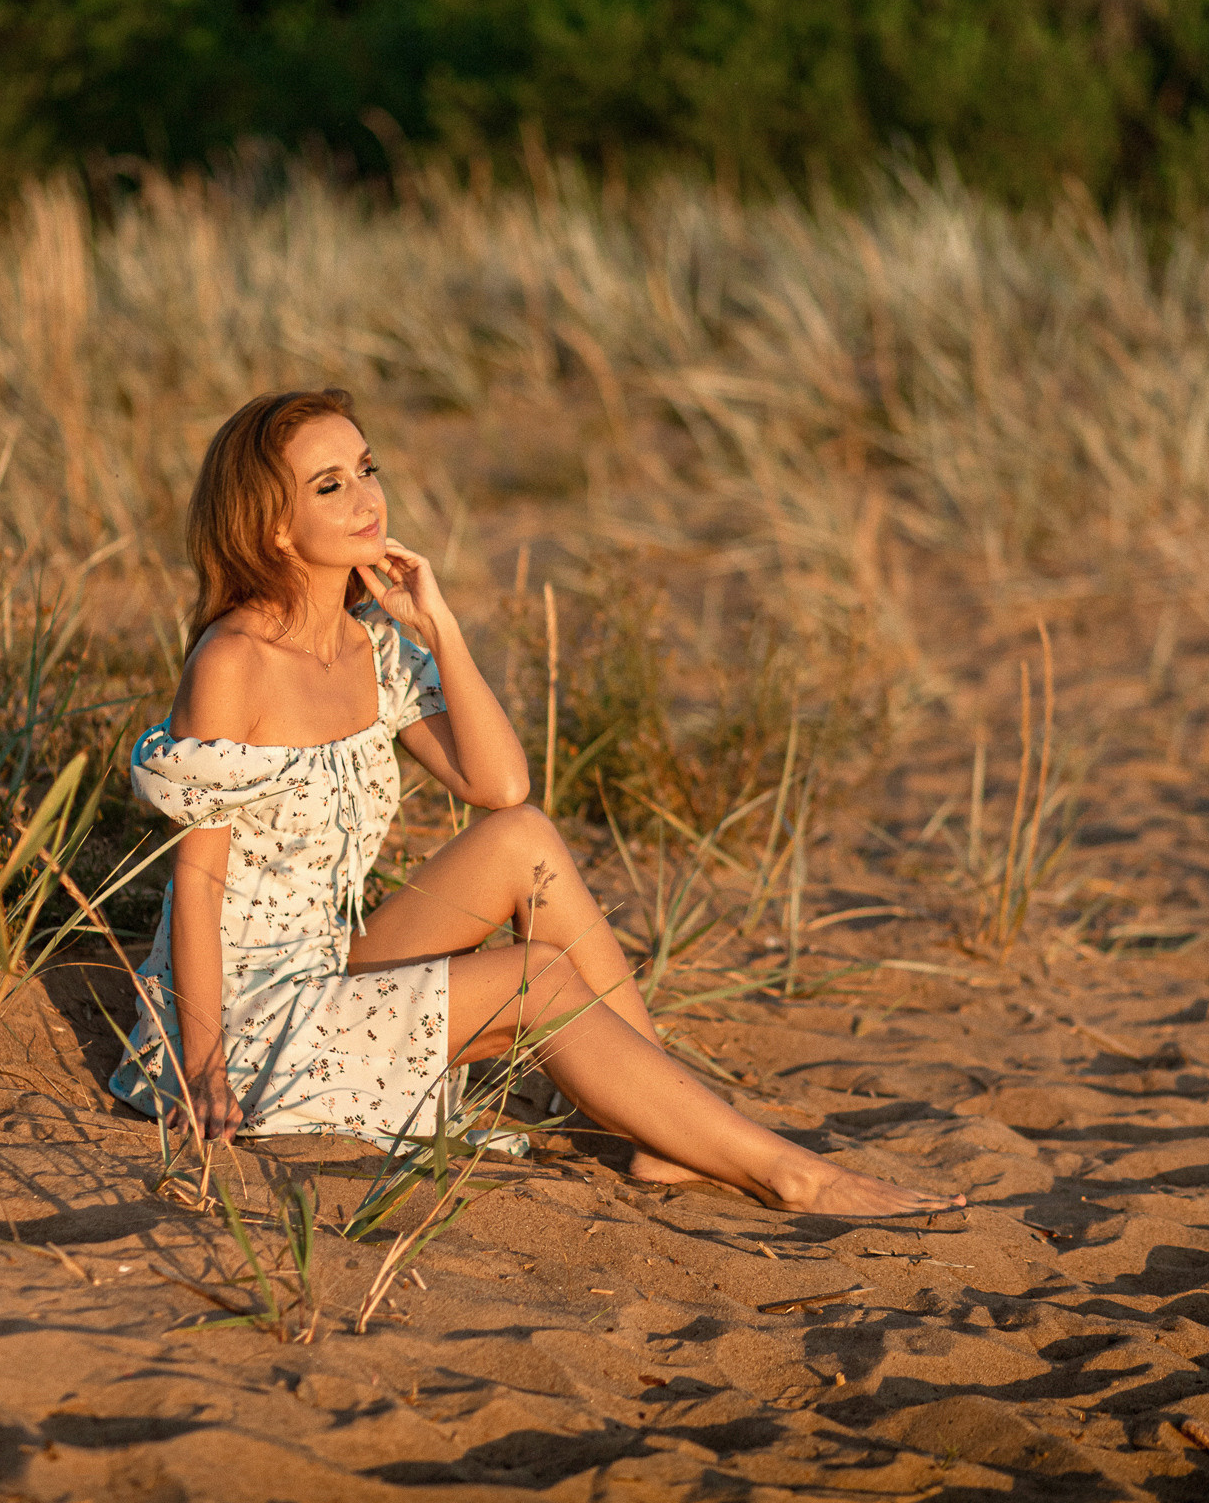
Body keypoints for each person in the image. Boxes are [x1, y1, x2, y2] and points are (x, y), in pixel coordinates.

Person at [109, 388, 961, 1215]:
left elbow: (500, 786)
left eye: (367, 469)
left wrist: (439, 625)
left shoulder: (371, 645)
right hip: (247, 1021)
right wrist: (206, 1066)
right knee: (538, 980)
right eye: (330, 485)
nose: (367, 498)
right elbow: (201, 882)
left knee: (523, 838)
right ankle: (789, 1175)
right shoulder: (234, 662)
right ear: (270, 523)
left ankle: (670, 1130)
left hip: (331, 967)